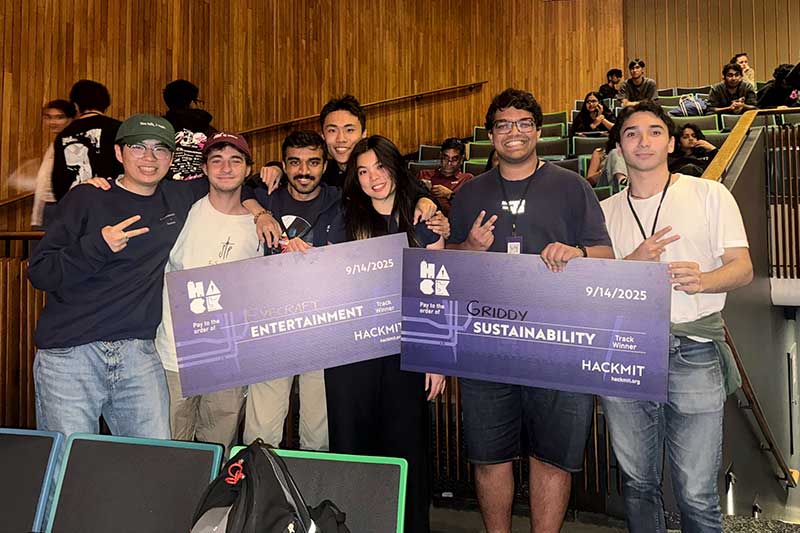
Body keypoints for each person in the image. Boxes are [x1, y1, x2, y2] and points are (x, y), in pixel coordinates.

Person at [28, 114, 276, 440]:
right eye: (138, 147)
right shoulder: (87, 197)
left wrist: (261, 210)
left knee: (156, 457)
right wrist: (97, 245)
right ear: (119, 154)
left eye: (160, 149)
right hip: (71, 352)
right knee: (68, 459)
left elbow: (232, 181)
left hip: (138, 352)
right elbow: (40, 272)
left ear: (171, 159)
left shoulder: (177, 196)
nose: (149, 158)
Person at [446, 88, 614, 533]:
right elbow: (447, 269)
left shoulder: (572, 186)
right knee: (489, 456)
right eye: (503, 125)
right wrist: (468, 247)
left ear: (538, 131)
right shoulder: (469, 194)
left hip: (559, 347)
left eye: (523, 123)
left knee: (552, 457)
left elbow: (606, 256)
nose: (514, 132)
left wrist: (577, 252)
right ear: (491, 136)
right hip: (485, 347)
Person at [601, 101, 752, 533]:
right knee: (637, 483)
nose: (642, 141)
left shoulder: (709, 194)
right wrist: (635, 262)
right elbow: (594, 288)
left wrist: (704, 280)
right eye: (631, 133)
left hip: (695, 352)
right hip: (625, 352)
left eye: (653, 132)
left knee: (696, 493)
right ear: (620, 147)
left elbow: (743, 268)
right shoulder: (606, 211)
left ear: (670, 142)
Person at [325, 135, 447, 533]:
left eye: (379, 166)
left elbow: (437, 292)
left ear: (395, 166)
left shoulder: (424, 217)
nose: (373, 177)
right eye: (362, 171)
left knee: (406, 448)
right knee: (352, 450)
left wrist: (435, 358)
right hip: (350, 355)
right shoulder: (343, 217)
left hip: (406, 351)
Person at [155, 132, 259, 456]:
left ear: (247, 169)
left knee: (218, 450)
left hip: (228, 359)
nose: (226, 168)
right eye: (217, 160)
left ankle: (210, 508)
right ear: (204, 169)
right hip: (175, 356)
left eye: (235, 160)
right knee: (171, 449)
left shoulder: (260, 227)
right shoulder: (183, 210)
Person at [244, 131, 337, 452]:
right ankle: (257, 495)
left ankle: (311, 497)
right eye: (294, 163)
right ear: (284, 166)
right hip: (271, 326)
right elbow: (230, 185)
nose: (304, 171)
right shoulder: (265, 196)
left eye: (313, 162)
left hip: (323, 327)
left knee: (319, 432)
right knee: (260, 431)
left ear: (325, 166)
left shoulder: (340, 201)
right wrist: (259, 208)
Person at [51, 80, 123, 202]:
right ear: (105, 105)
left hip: (74, 205)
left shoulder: (64, 134)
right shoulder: (119, 128)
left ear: (75, 106)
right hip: (113, 201)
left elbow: (58, 179)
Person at [31, 100, 76, 228]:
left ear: (71, 119)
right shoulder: (56, 143)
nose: (53, 122)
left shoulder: (71, 143)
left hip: (62, 204)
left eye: (59, 117)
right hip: (46, 204)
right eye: (48, 117)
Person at [162, 79, 217, 181]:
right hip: (203, 191)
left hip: (164, 190)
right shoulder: (212, 134)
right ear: (192, 102)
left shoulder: (158, 129)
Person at [415, 137, 473, 214]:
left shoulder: (467, 179)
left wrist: (450, 195)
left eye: (454, 159)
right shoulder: (424, 174)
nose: (449, 163)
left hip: (454, 222)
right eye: (446, 158)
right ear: (440, 156)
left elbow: (470, 207)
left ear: (461, 160)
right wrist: (425, 191)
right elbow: (409, 200)